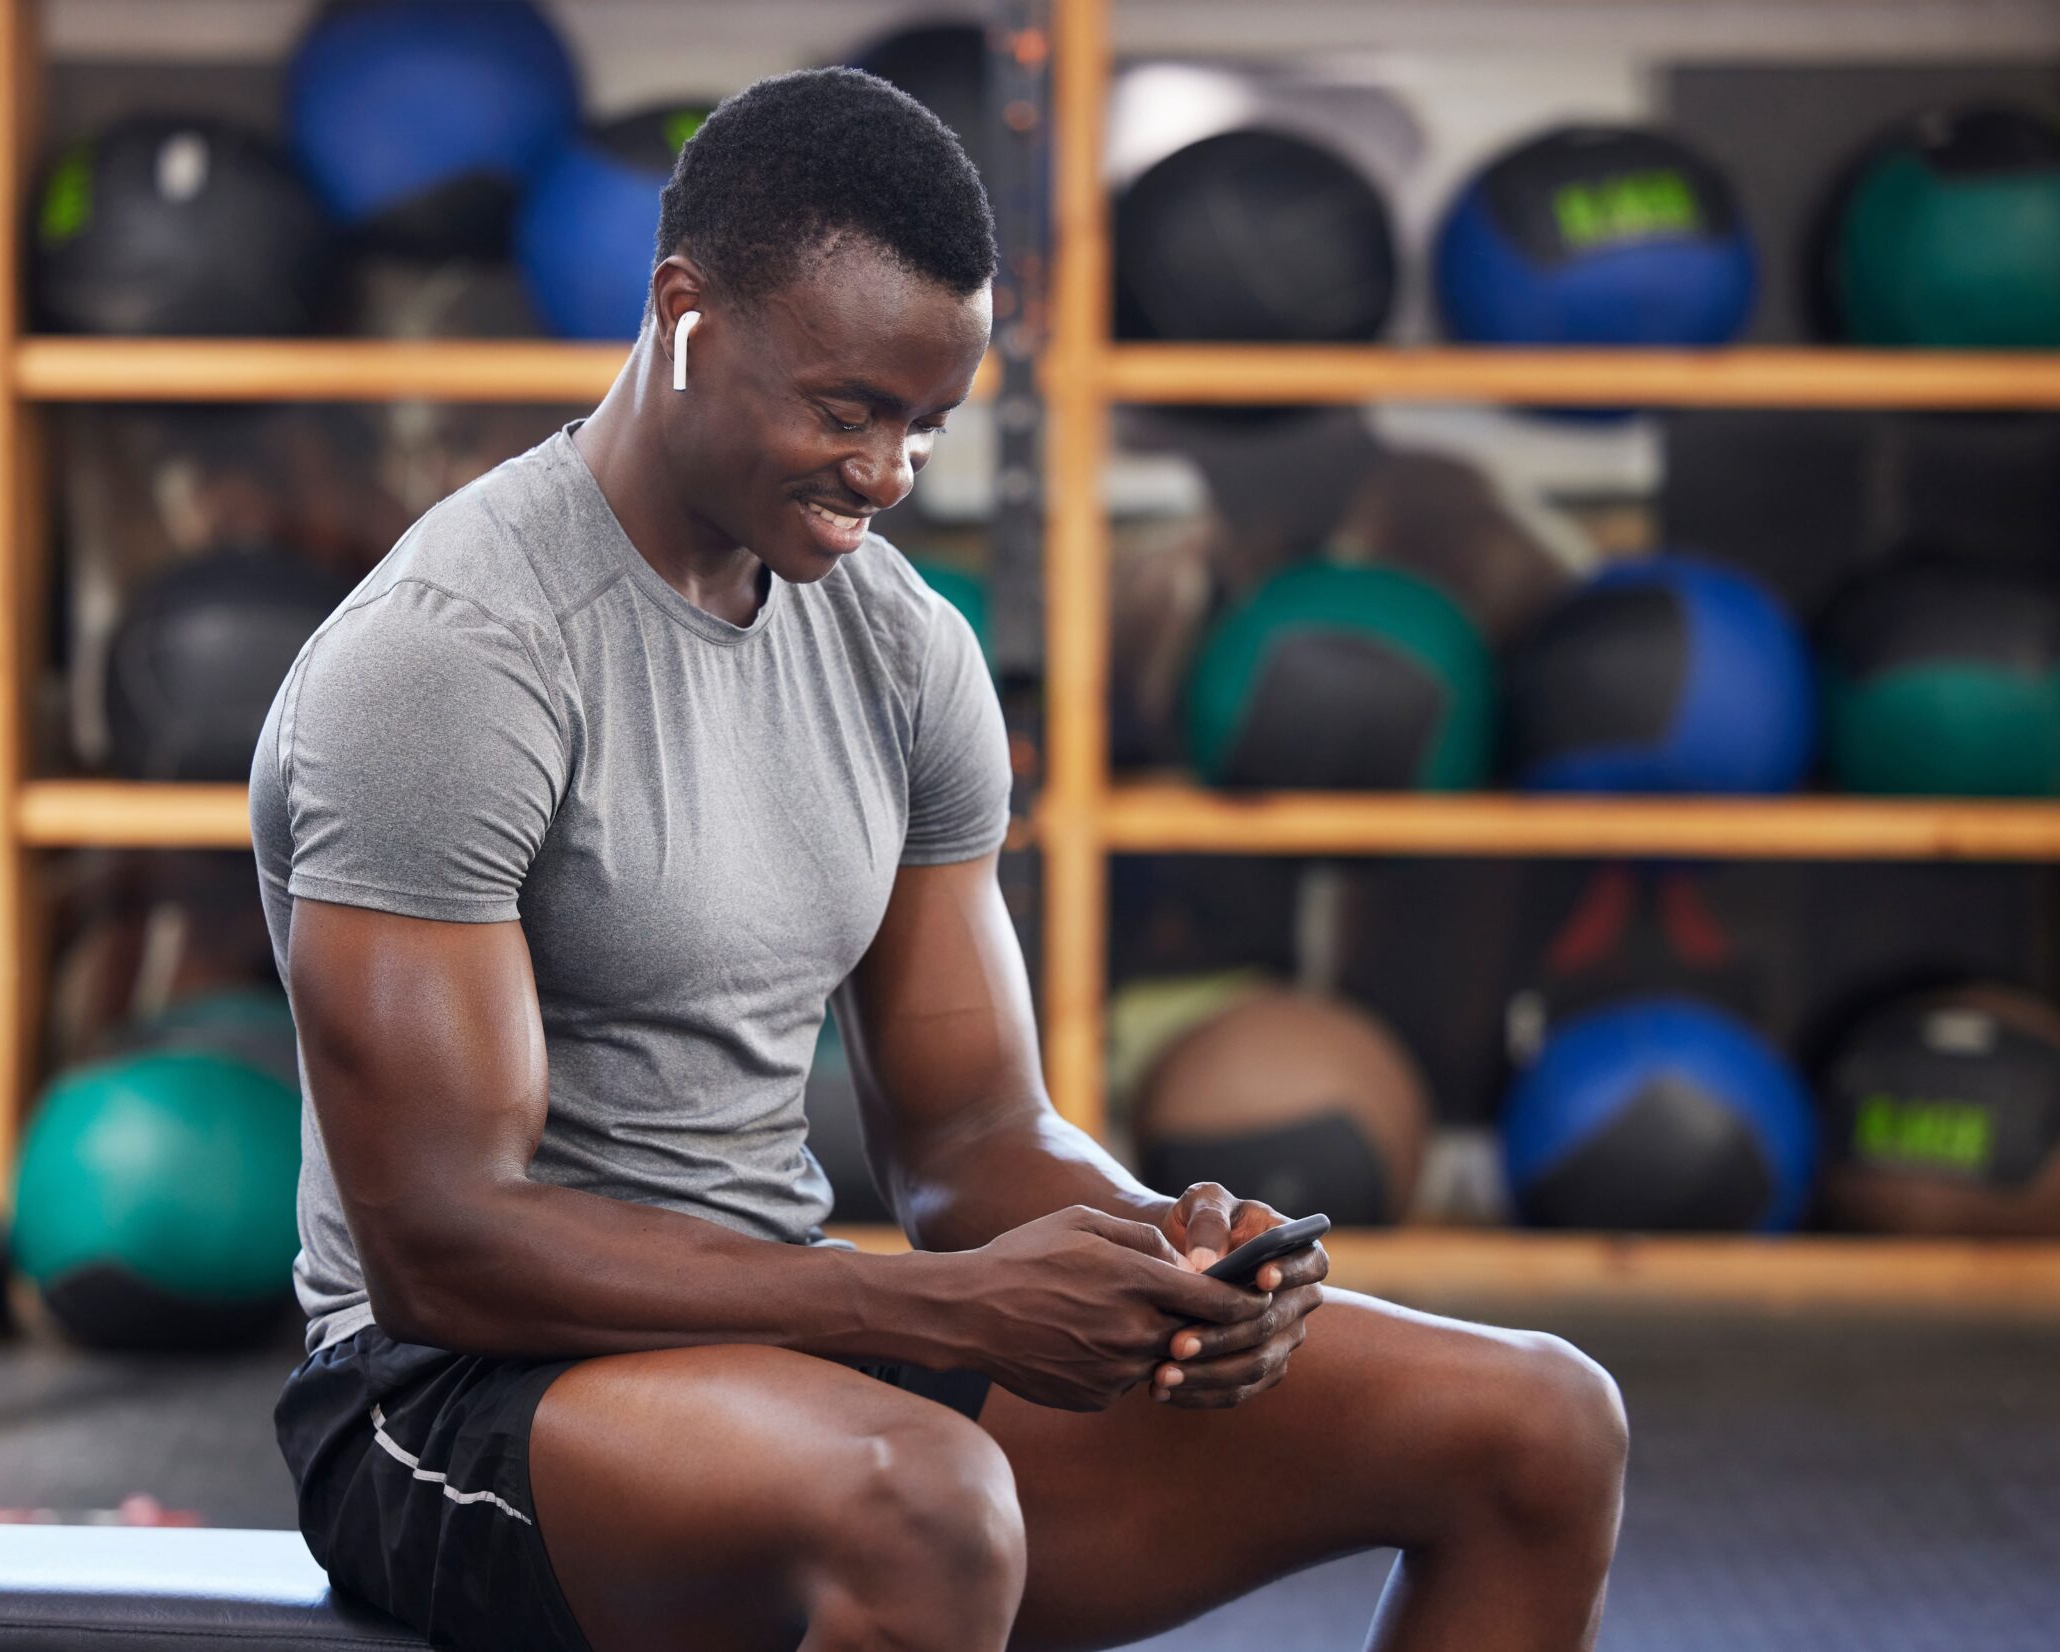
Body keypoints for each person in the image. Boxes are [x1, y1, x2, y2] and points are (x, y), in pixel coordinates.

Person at [250, 67, 1625, 1652]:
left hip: (794, 1335)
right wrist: (926, 1306)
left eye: (928, 423)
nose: (889, 473)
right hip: (447, 1406)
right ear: (684, 313)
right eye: (847, 410)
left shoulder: (900, 646)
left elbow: (973, 1136)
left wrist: (1159, 1255)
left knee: (1537, 1425)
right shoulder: (453, 661)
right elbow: (446, 1251)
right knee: (928, 1503)